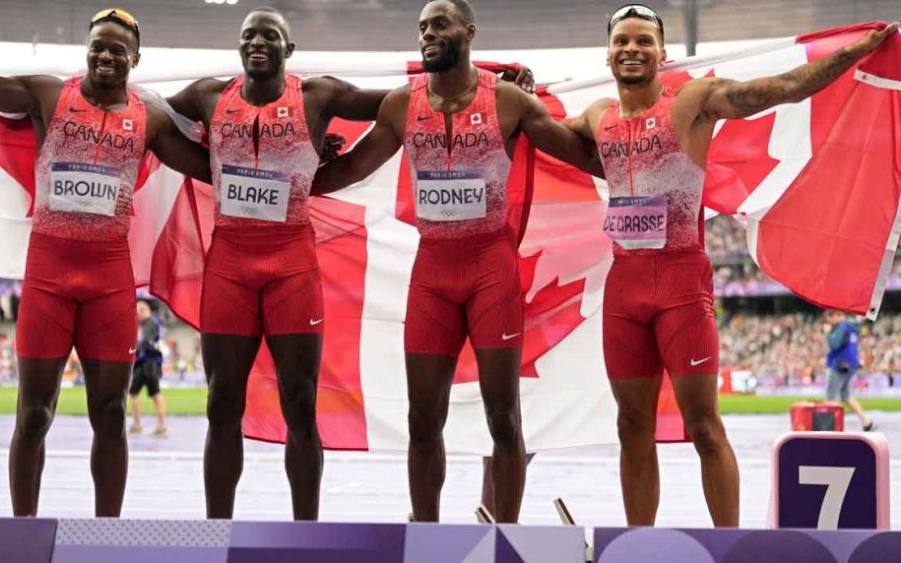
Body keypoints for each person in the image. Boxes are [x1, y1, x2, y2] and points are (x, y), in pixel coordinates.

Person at [165, 6, 533, 521]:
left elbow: (412, 97)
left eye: (271, 35)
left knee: (300, 402)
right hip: (231, 262)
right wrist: (239, 166)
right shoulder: (208, 95)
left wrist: (496, 81)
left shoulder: (319, 95)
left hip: (294, 262)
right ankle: (215, 530)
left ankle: (306, 532)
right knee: (221, 403)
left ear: (289, 49)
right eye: (249, 34)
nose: (258, 43)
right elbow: (147, 118)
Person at [563, 4, 898, 527]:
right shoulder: (597, 116)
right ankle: (637, 541)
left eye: (643, 41)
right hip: (624, 288)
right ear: (608, 54)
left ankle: (730, 543)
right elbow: (532, 131)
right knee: (631, 425)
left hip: (680, 282)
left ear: (662, 53)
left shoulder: (693, 102)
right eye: (622, 40)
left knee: (704, 425)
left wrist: (851, 53)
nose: (632, 48)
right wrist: (513, 90)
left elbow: (778, 88)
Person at [0, 8, 211, 517]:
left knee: (111, 413)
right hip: (49, 279)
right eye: (98, 44)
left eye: (117, 49)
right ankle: (23, 530)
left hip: (108, 284)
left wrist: (311, 158)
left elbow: (212, 169)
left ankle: (107, 531)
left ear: (135, 59)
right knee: (33, 414)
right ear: (88, 48)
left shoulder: (152, 117)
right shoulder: (49, 95)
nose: (105, 54)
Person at [311, 0, 601, 523]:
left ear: (469, 31)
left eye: (439, 24)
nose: (428, 33)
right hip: (433, 274)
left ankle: (505, 538)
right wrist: (287, 177)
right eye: (422, 27)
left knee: (504, 418)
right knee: (423, 418)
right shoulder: (402, 104)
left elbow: (582, 157)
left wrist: (644, 154)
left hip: (491, 268)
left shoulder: (509, 102)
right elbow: (352, 168)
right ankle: (426, 533)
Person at [826, 311, 876, 431]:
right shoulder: (853, 327)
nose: (829, 319)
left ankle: (830, 427)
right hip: (851, 364)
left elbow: (834, 344)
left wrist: (829, 332)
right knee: (846, 395)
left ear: (838, 315)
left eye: (830, 316)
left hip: (839, 364)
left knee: (831, 396)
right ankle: (866, 421)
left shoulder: (842, 327)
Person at [129, 300, 167, 436]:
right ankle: (143, 425)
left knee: (149, 393)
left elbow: (145, 342)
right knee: (144, 393)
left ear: (142, 311)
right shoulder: (149, 323)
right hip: (148, 363)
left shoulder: (150, 322)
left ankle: (142, 425)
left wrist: (132, 352)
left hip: (148, 363)